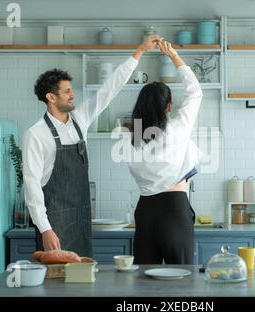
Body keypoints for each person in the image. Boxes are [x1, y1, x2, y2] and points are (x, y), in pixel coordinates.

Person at [23, 35, 162, 256]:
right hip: (54, 223)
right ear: (51, 97)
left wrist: (140, 51)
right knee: (54, 284)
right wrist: (45, 228)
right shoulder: (35, 134)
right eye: (67, 91)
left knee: (81, 280)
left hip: (82, 220)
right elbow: (31, 186)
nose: (73, 95)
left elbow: (110, 88)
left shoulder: (80, 119)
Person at [127, 40, 203, 264]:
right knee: (182, 278)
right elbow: (195, 92)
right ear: (169, 107)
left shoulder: (133, 139)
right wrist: (174, 56)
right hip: (174, 208)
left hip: (145, 211)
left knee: (144, 279)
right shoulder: (177, 128)